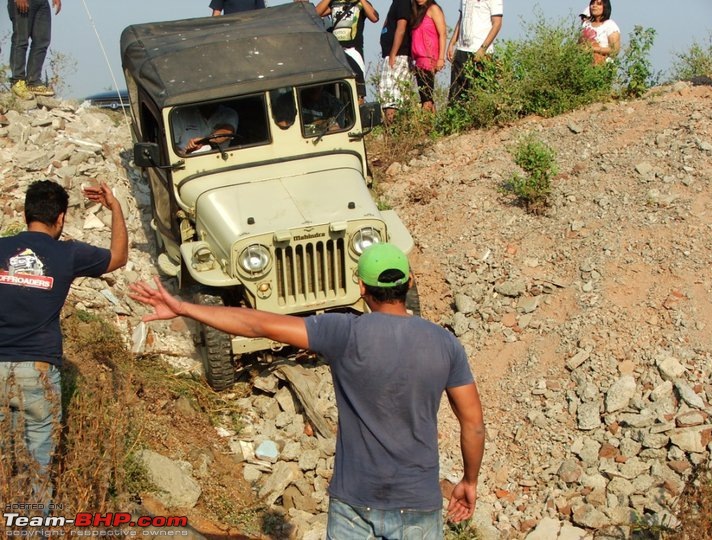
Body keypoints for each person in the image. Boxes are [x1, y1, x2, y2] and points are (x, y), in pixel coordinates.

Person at [130, 243, 485, 538]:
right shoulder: (445, 344)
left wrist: (182, 307)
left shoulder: (343, 332)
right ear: (409, 282)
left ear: (361, 287)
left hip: (354, 503)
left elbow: (257, 324)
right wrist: (469, 480)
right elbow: (473, 424)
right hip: (418, 504)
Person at [0, 179, 128, 512]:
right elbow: (118, 257)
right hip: (38, 373)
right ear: (60, 218)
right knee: (37, 470)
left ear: (27, 214)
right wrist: (114, 207)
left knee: (5, 465)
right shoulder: (68, 254)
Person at [315, 0, 379, 103]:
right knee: (336, 87)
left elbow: (375, 17)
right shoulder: (334, 3)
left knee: (357, 88)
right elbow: (316, 13)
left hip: (354, 50)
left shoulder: (361, 4)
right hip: (336, 51)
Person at [447, 0, 503, 103]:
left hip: (480, 52)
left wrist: (483, 49)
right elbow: (461, 18)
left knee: (478, 95)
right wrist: (452, 42)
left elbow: (497, 23)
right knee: (456, 96)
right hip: (461, 50)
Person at [8, 0, 62, 100]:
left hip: (42, 2)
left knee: (42, 40)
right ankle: (17, 81)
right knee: (21, 40)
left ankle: (33, 82)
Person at [378, 0, 413, 124]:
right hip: (393, 54)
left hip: (398, 55)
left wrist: (393, 52)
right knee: (390, 96)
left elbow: (401, 28)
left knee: (391, 97)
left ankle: (393, 129)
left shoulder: (403, 2)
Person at [410, 0, 446, 113]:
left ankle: (428, 126)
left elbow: (443, 34)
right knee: (425, 97)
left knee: (427, 98)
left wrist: (441, 58)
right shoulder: (416, 12)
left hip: (429, 58)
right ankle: (432, 126)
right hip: (418, 59)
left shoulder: (433, 9)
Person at [171, 104, 239, 155]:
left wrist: (203, 141)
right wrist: (186, 153)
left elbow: (227, 132)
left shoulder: (229, 113)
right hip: (188, 160)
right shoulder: (179, 114)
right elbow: (172, 146)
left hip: (220, 159)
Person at [579, 0, 620, 65]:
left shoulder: (610, 25)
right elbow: (579, 43)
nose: (594, 6)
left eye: (599, 4)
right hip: (586, 66)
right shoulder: (586, 25)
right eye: (592, 3)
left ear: (605, 7)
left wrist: (593, 49)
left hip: (604, 67)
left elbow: (615, 50)